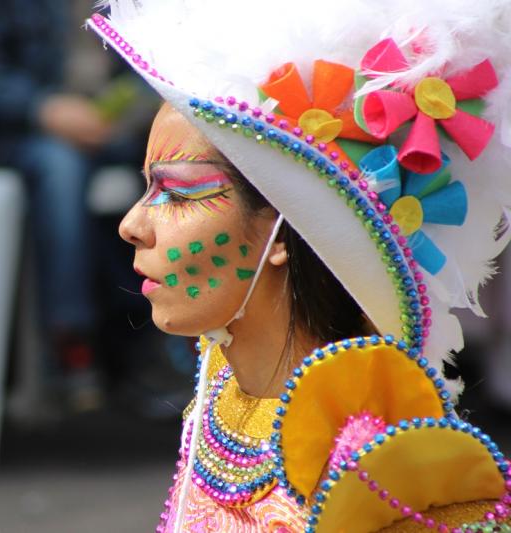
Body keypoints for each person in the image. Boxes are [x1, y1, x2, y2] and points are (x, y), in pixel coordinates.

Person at [87, 0, 511, 530]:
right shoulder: (223, 381)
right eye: (147, 188)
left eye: (177, 193)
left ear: (278, 232)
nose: (132, 224)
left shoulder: (381, 462)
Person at [0, 0, 157, 411]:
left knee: (171, 157)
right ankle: (71, 338)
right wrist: (44, 109)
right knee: (60, 167)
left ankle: (161, 331)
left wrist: (122, 110)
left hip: (103, 132)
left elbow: (149, 69)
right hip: (12, 134)